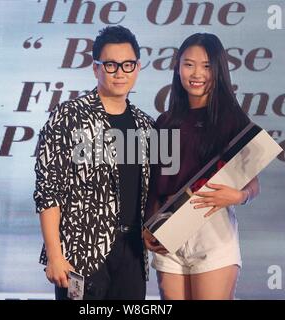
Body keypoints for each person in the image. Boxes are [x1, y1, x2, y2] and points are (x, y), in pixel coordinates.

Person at [33, 25, 155, 300]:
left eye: (128, 64)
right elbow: (48, 191)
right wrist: (54, 255)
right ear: (96, 67)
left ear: (138, 67)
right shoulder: (69, 116)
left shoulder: (147, 126)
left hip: (133, 255)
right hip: (81, 252)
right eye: (111, 65)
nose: (120, 72)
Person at [143, 33, 260, 300]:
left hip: (212, 231)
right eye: (189, 64)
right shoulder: (165, 121)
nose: (197, 73)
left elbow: (253, 183)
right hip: (168, 231)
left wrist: (239, 196)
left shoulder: (233, 119)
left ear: (218, 70)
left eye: (206, 66)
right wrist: (148, 225)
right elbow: (155, 184)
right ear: (178, 66)